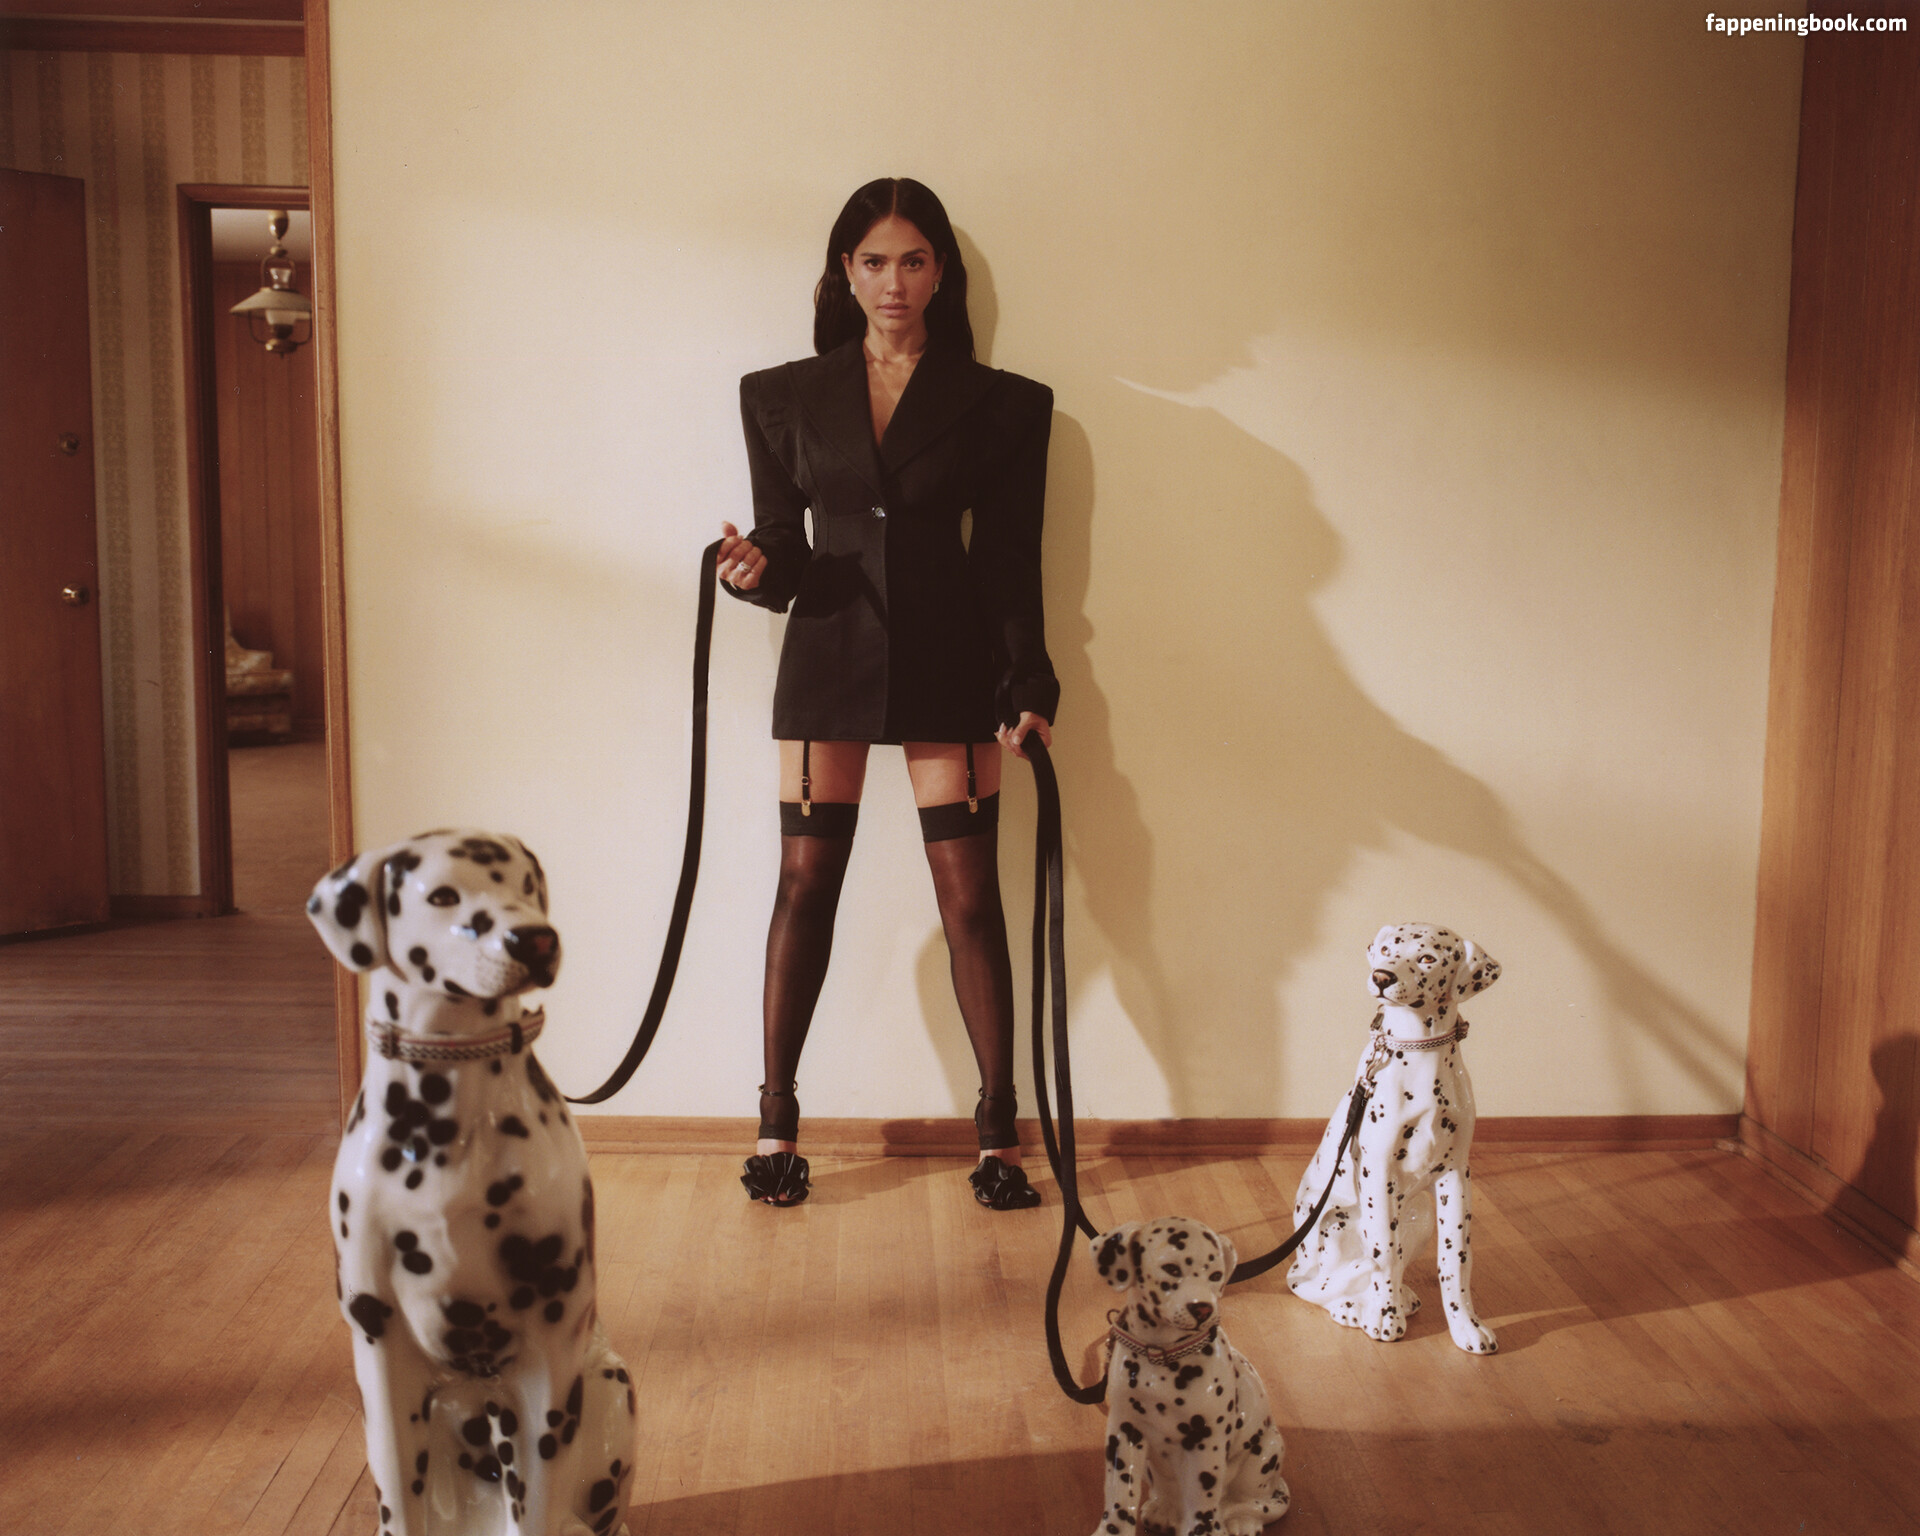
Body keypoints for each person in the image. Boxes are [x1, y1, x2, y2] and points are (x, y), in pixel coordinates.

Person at [717, 177, 1057, 1211]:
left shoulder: (1006, 404)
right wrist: (752, 571)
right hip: (828, 657)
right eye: (874, 262)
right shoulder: (779, 395)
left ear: (940, 272)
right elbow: (783, 544)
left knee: (970, 897)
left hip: (953, 662)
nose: (893, 282)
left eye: (912, 261)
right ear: (845, 271)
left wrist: (1028, 681)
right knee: (803, 885)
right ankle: (777, 1129)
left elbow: (1009, 560)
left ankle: (999, 1138)